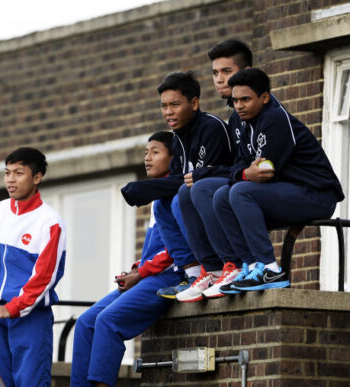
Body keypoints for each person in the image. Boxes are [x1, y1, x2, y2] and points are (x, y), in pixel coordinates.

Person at [71, 132, 184, 387]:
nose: (147, 158)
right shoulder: (157, 197)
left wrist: (141, 273)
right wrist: (136, 269)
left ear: (174, 157)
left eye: (155, 152)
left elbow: (175, 250)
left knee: (108, 320)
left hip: (169, 279)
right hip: (147, 275)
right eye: (146, 152)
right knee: (86, 322)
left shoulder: (178, 196)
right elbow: (154, 250)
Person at [213, 68, 344, 291]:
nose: (239, 105)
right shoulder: (239, 121)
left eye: (246, 99)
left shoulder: (275, 119)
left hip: (316, 195)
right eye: (235, 100)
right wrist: (244, 174)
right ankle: (252, 266)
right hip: (286, 192)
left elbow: (264, 174)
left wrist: (245, 175)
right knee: (221, 197)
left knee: (240, 192)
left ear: (264, 98)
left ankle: (270, 269)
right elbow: (239, 167)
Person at [0, 147, 66, 387]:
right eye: (7, 173)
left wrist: (12, 308)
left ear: (37, 178)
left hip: (30, 317)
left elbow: (46, 277)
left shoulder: (50, 222)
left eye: (18, 173)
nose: (10, 179)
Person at [135, 71, 232, 302]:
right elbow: (178, 178)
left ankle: (216, 267)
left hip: (224, 202)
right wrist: (144, 189)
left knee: (182, 197)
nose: (168, 112)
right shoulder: (178, 136)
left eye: (175, 104)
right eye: (164, 106)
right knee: (163, 203)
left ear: (194, 103)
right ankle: (194, 273)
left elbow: (217, 175)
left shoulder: (212, 128)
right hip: (199, 199)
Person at [171, 39, 255, 300]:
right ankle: (212, 269)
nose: (219, 80)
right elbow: (236, 167)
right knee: (183, 194)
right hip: (243, 182)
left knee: (205, 188)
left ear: (246, 72)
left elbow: (263, 164)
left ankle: (236, 263)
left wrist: (203, 174)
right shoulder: (234, 118)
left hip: (270, 187)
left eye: (227, 72)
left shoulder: (263, 111)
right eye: (215, 73)